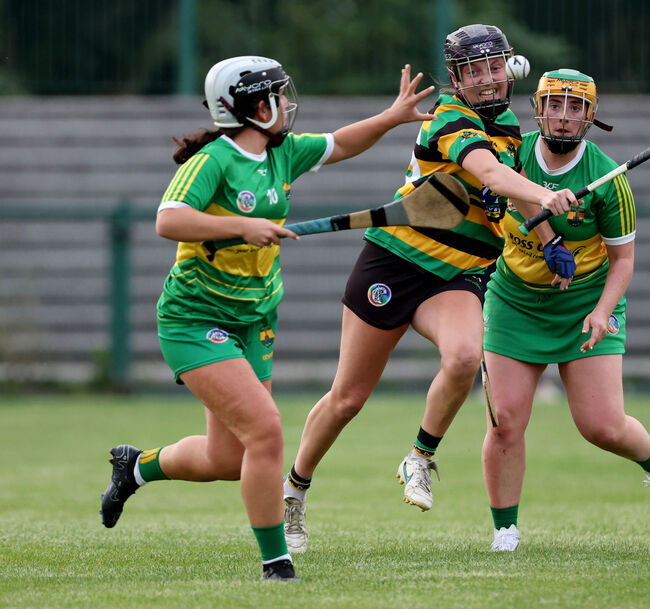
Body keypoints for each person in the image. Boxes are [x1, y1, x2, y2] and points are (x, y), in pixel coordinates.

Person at [99, 55, 438, 582]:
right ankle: (276, 564)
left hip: (253, 320)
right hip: (194, 319)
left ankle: (136, 467)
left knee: (227, 458)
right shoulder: (213, 160)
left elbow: (341, 143)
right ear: (256, 108)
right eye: (278, 96)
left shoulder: (282, 153)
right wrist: (241, 225)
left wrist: (391, 117)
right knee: (266, 431)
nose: (287, 103)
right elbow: (169, 219)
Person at [281, 24, 579, 555]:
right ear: (457, 77)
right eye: (474, 71)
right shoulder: (449, 117)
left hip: (459, 272)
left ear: (506, 68)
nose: (487, 80)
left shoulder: (508, 123)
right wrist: (544, 192)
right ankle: (294, 491)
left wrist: (551, 237)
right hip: (394, 263)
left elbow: (512, 192)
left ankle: (419, 456)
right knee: (348, 398)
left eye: (493, 68)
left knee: (465, 355)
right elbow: (488, 173)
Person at [481, 68, 650, 552]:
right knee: (504, 420)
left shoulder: (609, 180)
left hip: (586, 301)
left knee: (602, 427)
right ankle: (505, 531)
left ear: (590, 117)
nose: (564, 117)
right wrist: (550, 237)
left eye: (576, 108)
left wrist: (601, 311)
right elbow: (508, 191)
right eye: (556, 105)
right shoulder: (509, 153)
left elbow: (624, 261)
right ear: (539, 108)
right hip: (514, 299)